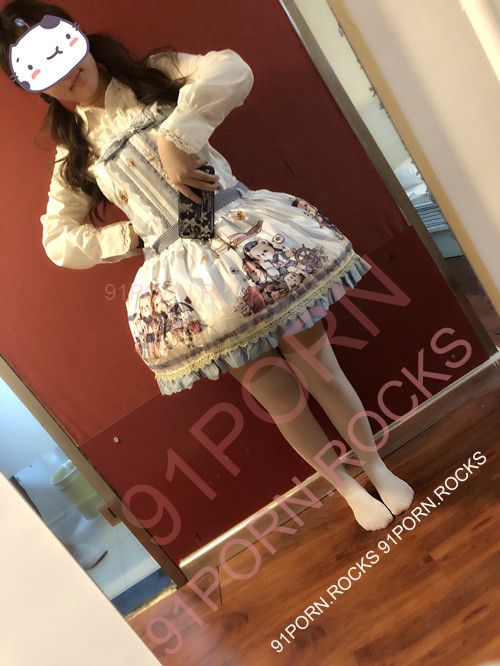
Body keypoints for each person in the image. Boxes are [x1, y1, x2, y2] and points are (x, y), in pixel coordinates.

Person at [0, 1, 414, 531]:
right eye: (41, 70)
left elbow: (231, 69)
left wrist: (177, 136)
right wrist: (132, 235)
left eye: (60, 49)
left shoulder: (156, 74)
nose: (65, 72)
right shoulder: (75, 150)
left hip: (246, 237)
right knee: (279, 397)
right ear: (33, 86)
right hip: (190, 280)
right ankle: (348, 489)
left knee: (323, 369)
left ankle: (378, 469)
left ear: (76, 34)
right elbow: (58, 239)